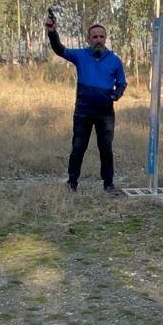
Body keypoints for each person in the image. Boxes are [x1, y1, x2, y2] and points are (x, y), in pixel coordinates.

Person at [45, 16, 127, 195]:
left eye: (101, 37)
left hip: (105, 113)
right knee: (78, 147)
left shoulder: (114, 60)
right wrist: (52, 32)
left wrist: (116, 94)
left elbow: (122, 83)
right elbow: (59, 49)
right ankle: (72, 183)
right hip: (83, 110)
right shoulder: (80, 55)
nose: (98, 40)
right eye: (95, 37)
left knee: (106, 149)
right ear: (88, 39)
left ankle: (108, 185)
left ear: (105, 39)